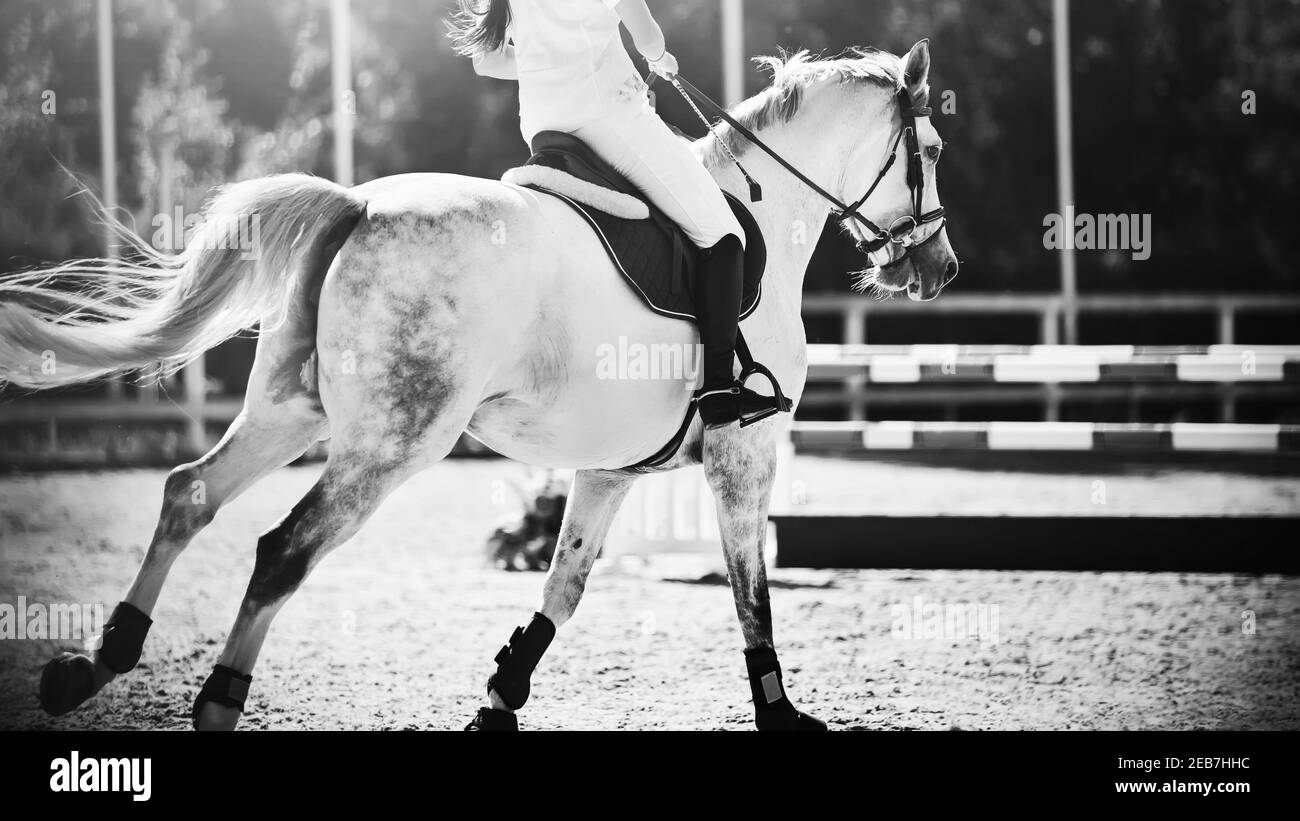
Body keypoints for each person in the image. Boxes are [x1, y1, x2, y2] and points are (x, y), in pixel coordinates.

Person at [448, 0, 781, 431]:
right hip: (609, 116)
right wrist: (659, 59)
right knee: (723, 235)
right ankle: (719, 389)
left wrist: (548, 66)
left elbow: (486, 60)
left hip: (543, 126)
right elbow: (647, 36)